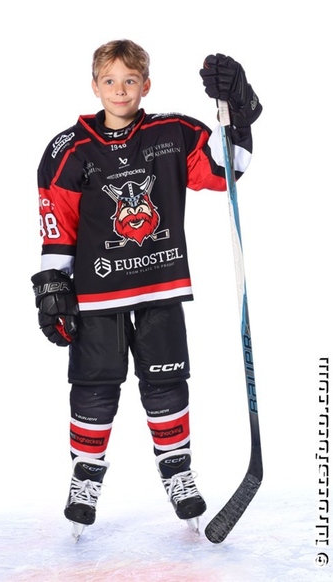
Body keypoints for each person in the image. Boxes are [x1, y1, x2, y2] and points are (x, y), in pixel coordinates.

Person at [31, 39, 262, 536]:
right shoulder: (68, 150)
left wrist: (240, 111)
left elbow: (228, 170)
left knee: (166, 382)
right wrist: (52, 285)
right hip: (97, 293)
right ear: (95, 86)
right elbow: (58, 220)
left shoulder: (173, 133)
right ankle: (85, 476)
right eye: (110, 81)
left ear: (146, 85)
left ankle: (177, 472)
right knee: (94, 386)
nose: (120, 90)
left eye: (130, 80)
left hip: (159, 286)